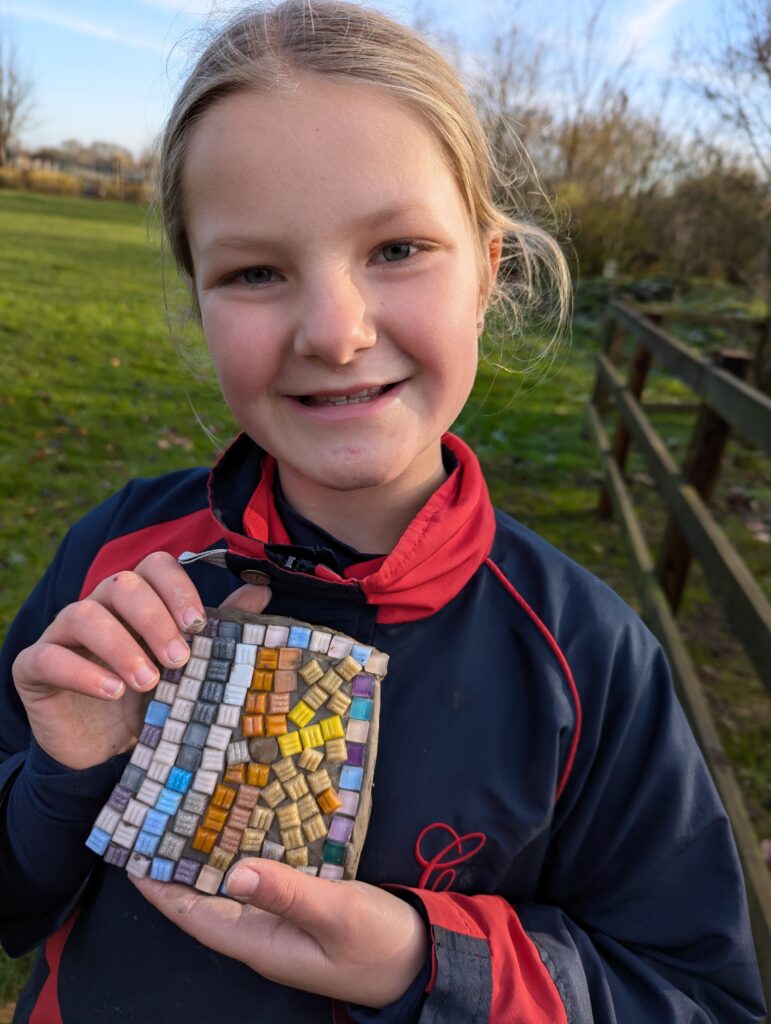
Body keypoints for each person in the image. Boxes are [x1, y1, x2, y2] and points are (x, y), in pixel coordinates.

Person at [0, 2, 765, 1021]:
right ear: (198, 297)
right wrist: (62, 777)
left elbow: (697, 995)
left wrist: (424, 963)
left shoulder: (591, 664)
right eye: (257, 271)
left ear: (489, 275)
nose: (336, 330)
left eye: (398, 248)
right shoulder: (117, 562)